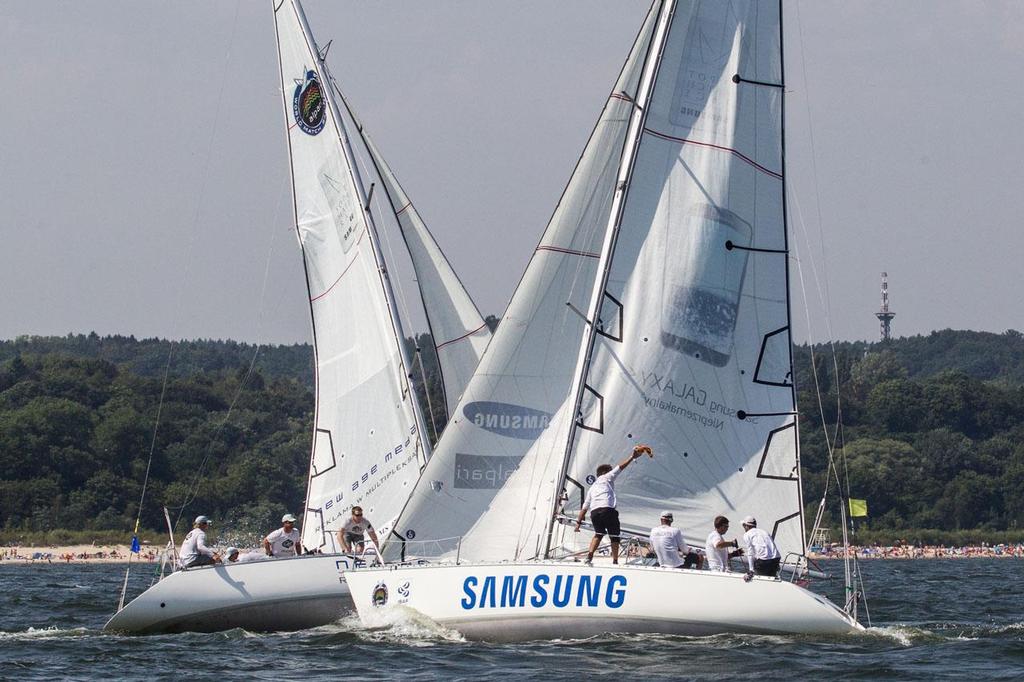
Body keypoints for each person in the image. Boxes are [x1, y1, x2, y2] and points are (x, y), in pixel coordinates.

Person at [574, 443, 652, 565]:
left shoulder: (592, 488)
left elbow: (584, 508)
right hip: (607, 510)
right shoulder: (607, 476)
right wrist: (632, 457)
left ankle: (589, 556)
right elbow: (620, 467)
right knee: (614, 536)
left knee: (598, 534)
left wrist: (578, 524)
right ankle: (615, 561)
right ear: (604, 472)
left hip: (594, 513)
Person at [741, 515, 781, 580]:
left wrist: (751, 570)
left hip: (764, 561)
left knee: (760, 579)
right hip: (776, 558)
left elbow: (750, 553)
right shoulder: (765, 532)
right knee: (771, 578)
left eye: (743, 525)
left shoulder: (747, 534)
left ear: (746, 526)